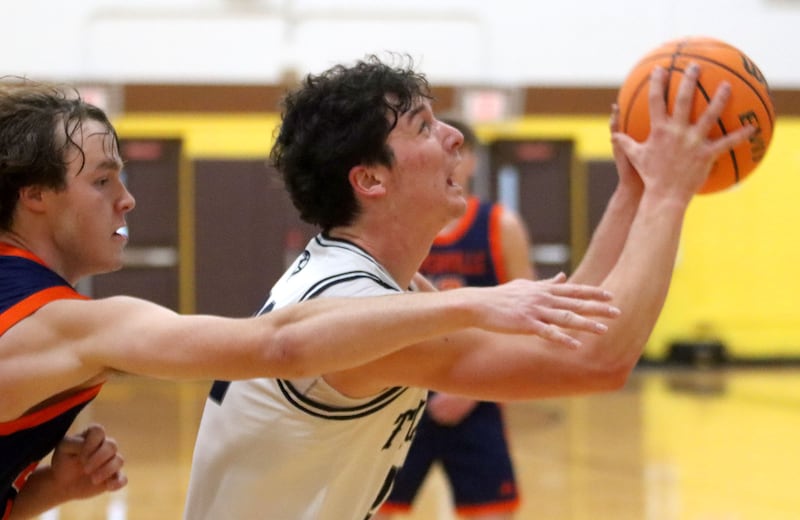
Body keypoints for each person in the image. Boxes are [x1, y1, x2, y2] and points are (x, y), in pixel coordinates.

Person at [0, 80, 620, 519]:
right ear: (35, 196)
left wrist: (46, 489)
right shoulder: (69, 327)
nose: (128, 201)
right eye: (103, 180)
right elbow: (280, 344)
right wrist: (476, 304)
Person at [183, 55, 752, 520]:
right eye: (424, 127)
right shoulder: (357, 304)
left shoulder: (378, 284)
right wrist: (670, 195)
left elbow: (567, 326)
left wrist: (633, 193)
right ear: (370, 178)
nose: (455, 136)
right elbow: (596, 361)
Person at [377, 118, 533, 520]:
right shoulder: (396, 228)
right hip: (401, 395)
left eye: (459, 152)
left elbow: (531, 321)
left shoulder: (501, 226)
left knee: (493, 512)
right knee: (374, 510)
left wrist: (473, 389)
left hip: (476, 396)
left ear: (474, 163)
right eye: (439, 150)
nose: (451, 161)